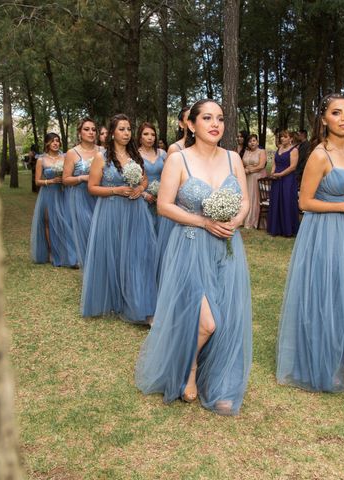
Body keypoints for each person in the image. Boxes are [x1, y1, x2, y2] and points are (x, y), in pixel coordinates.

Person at [136, 99, 252, 416]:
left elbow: (244, 201)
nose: (215, 124)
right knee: (207, 322)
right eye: (207, 118)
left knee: (226, 317)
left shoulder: (233, 160)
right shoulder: (179, 160)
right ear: (191, 124)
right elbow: (164, 206)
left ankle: (220, 380)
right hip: (190, 246)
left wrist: (235, 221)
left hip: (227, 247)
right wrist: (204, 221)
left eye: (220, 119)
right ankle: (188, 369)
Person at [276, 93, 344, 397]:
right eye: (336, 113)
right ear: (324, 119)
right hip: (326, 231)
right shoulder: (319, 155)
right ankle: (324, 363)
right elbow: (304, 202)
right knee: (330, 294)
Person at [80, 114, 158, 324]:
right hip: (111, 211)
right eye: (122, 129)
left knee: (138, 255)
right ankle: (116, 300)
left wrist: (140, 189)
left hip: (135, 211)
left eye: (129, 129)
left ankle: (140, 303)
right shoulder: (101, 157)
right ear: (112, 132)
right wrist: (117, 190)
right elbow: (92, 188)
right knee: (115, 254)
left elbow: (144, 180)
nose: (126, 133)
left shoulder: (135, 156)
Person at [30, 133, 74, 267]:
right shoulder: (41, 160)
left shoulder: (66, 157)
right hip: (48, 193)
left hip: (63, 192)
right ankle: (51, 251)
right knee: (49, 222)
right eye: (52, 141)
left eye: (57, 141)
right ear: (47, 143)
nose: (55, 143)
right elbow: (37, 181)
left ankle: (66, 251)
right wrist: (51, 181)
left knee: (65, 221)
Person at [137, 122, 174, 279]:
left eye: (152, 134)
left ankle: (161, 272)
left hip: (161, 200)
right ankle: (146, 272)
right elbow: (131, 180)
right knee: (145, 238)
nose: (150, 137)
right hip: (142, 200)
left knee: (161, 237)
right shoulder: (134, 154)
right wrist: (145, 194)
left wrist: (162, 193)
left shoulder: (163, 153)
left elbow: (170, 176)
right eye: (146, 134)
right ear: (139, 136)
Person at [62, 117, 100, 267]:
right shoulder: (72, 153)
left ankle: (98, 260)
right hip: (80, 196)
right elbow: (65, 179)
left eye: (93, 129)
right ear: (79, 133)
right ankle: (87, 262)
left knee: (98, 228)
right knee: (87, 227)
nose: (91, 132)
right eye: (86, 129)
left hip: (99, 195)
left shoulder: (102, 151)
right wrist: (83, 177)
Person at [267, 130, 299, 237]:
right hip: (277, 179)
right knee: (276, 201)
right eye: (281, 137)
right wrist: (272, 172)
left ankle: (288, 230)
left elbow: (293, 167)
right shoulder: (279, 148)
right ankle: (275, 229)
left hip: (287, 179)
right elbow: (275, 163)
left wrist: (281, 174)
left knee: (286, 201)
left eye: (285, 137)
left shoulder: (294, 150)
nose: (282, 139)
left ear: (291, 139)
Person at [242, 133, 267, 228]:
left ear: (257, 142)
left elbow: (261, 166)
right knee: (247, 197)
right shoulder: (246, 152)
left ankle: (254, 220)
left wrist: (250, 170)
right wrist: (243, 170)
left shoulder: (261, 151)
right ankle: (245, 219)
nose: (252, 143)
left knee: (255, 197)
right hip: (247, 177)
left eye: (253, 140)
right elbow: (242, 163)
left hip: (257, 177)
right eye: (249, 141)